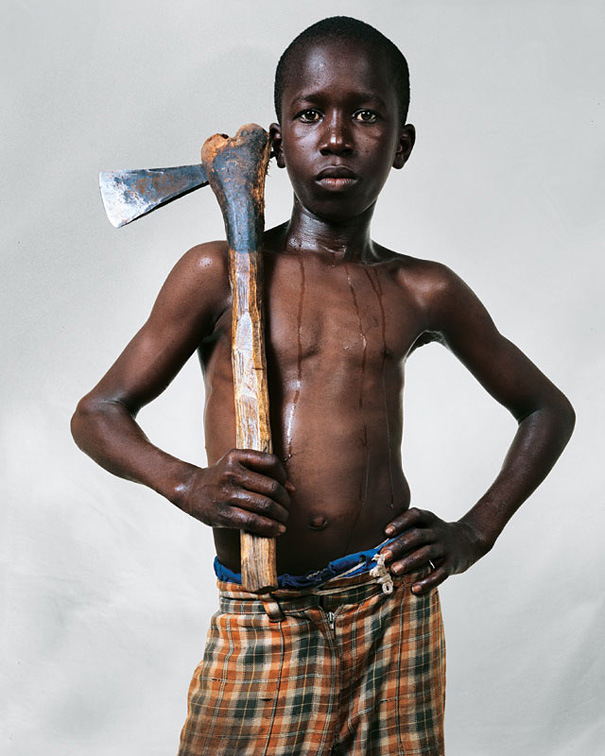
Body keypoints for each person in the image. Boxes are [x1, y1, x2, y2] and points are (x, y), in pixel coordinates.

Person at [71, 16, 575, 756]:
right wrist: (185, 484)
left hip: (393, 608)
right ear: (277, 143)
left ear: (401, 144)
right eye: (310, 114)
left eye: (365, 115)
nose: (336, 137)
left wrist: (472, 534)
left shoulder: (422, 289)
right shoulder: (218, 273)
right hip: (266, 614)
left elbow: (545, 409)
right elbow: (99, 413)